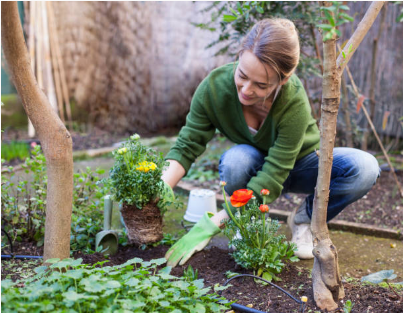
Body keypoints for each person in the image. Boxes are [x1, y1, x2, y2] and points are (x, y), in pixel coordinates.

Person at [162, 18, 380, 266]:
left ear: (283, 80)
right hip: (254, 166)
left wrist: (218, 219)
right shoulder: (213, 89)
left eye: (261, 85)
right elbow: (188, 144)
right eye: (242, 75)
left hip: (302, 165)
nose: (246, 89)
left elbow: (275, 172)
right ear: (240, 55)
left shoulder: (292, 100)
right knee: (236, 160)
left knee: (365, 168)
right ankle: (248, 221)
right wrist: (160, 188)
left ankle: (303, 219)